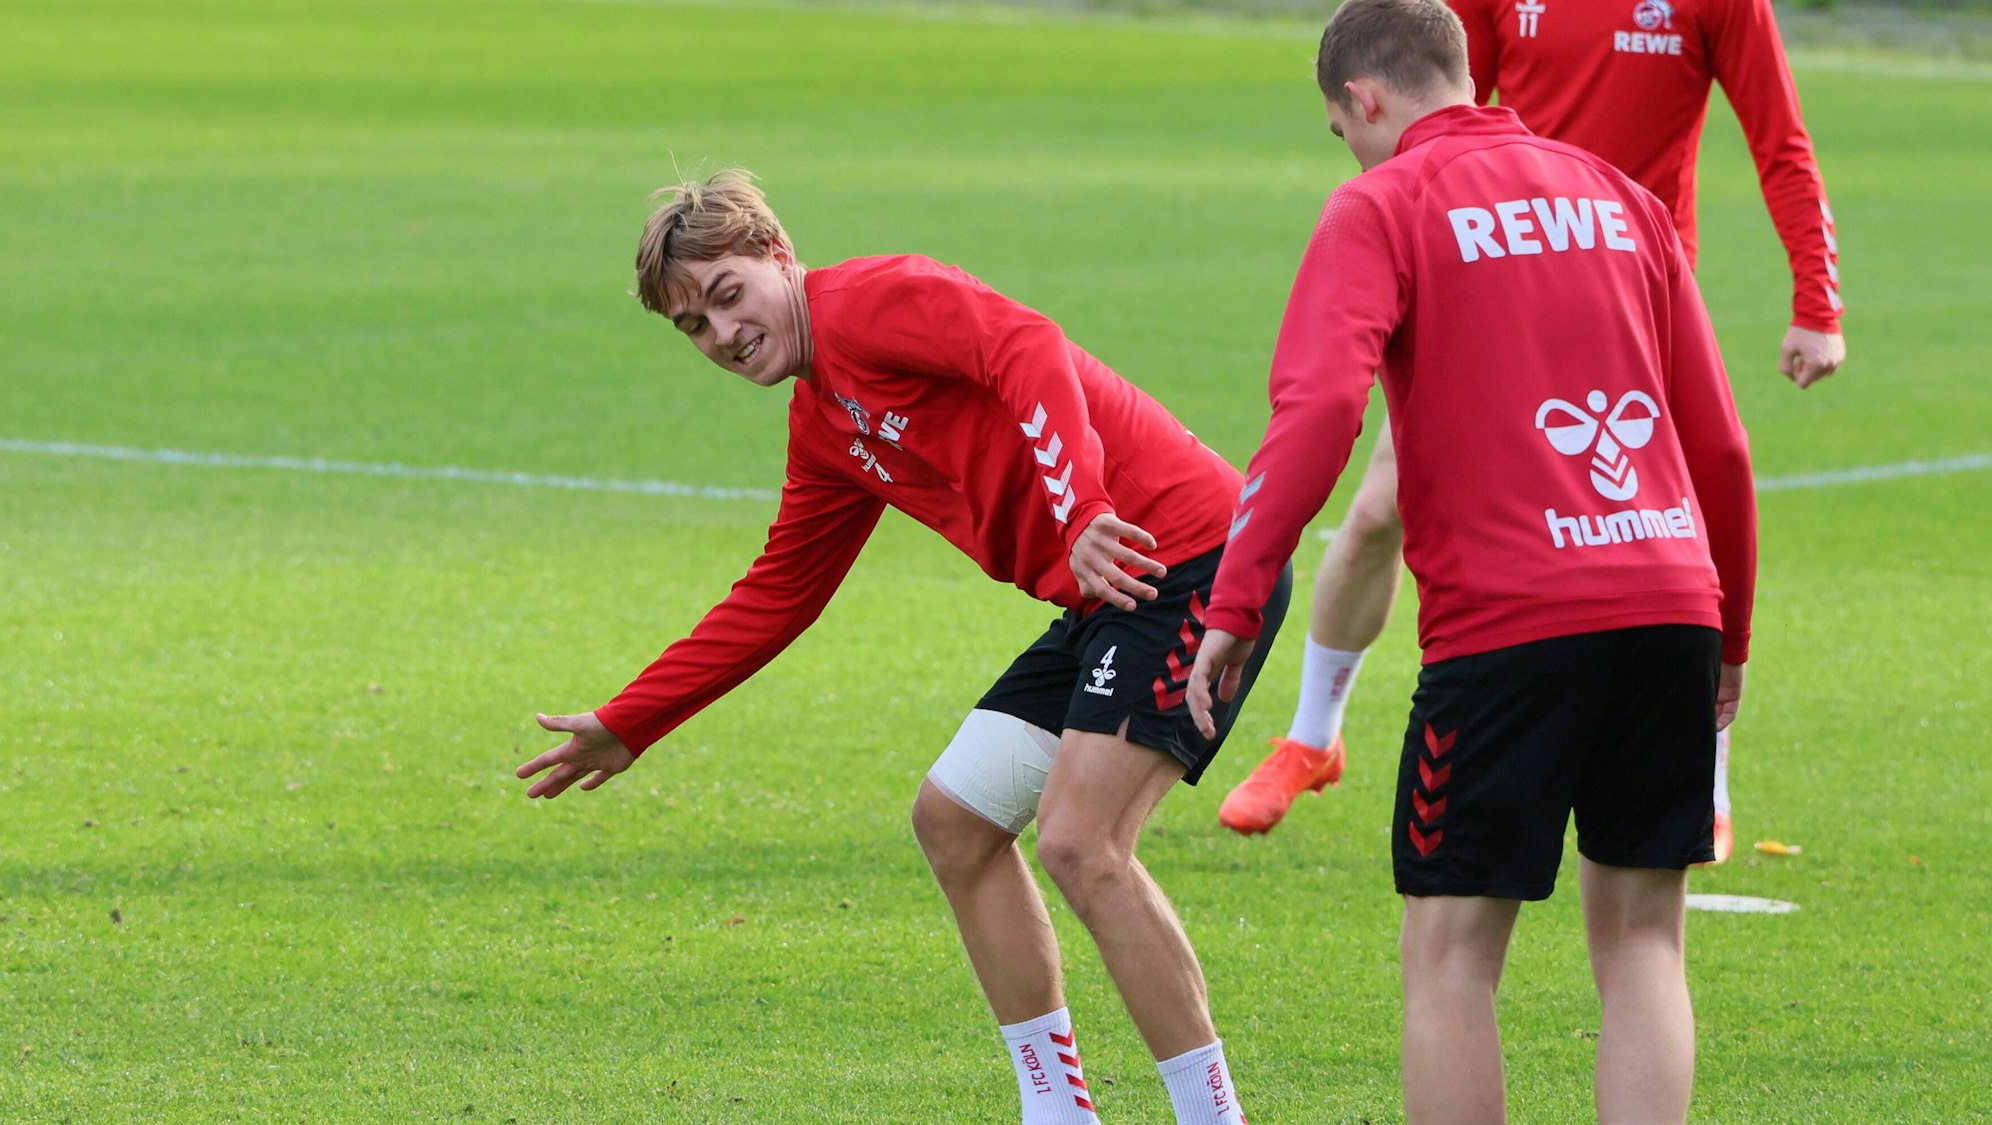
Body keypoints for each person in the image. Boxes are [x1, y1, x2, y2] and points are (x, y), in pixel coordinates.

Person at [515, 169, 1289, 1125]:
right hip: (1111, 595)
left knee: (1082, 843)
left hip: (1189, 559)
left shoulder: (869, 304)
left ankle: (1214, 1117)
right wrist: (633, 720)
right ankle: (1058, 1111)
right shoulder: (823, 426)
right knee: (955, 821)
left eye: (728, 295)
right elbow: (777, 597)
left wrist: (1082, 504)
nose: (721, 333)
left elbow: (1026, 346)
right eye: (693, 325)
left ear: (777, 255)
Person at [1186, 0, 1756, 1118]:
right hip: (1666, 602)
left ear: (1363, 99)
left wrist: (1235, 599)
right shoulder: (1621, 199)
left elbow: (1314, 415)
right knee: (1643, 940)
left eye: (1340, 128)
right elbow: (1720, 445)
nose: (1347, 148)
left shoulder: (1380, 204)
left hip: (1508, 625)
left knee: (1449, 958)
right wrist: (1727, 634)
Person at [1219, 0, 1843, 861]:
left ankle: (1710, 768)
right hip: (1487, 283)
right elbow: (1443, 91)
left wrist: (1818, 299)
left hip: (1630, 283)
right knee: (1374, 515)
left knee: (1661, 519)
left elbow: (1780, 138)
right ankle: (1312, 735)